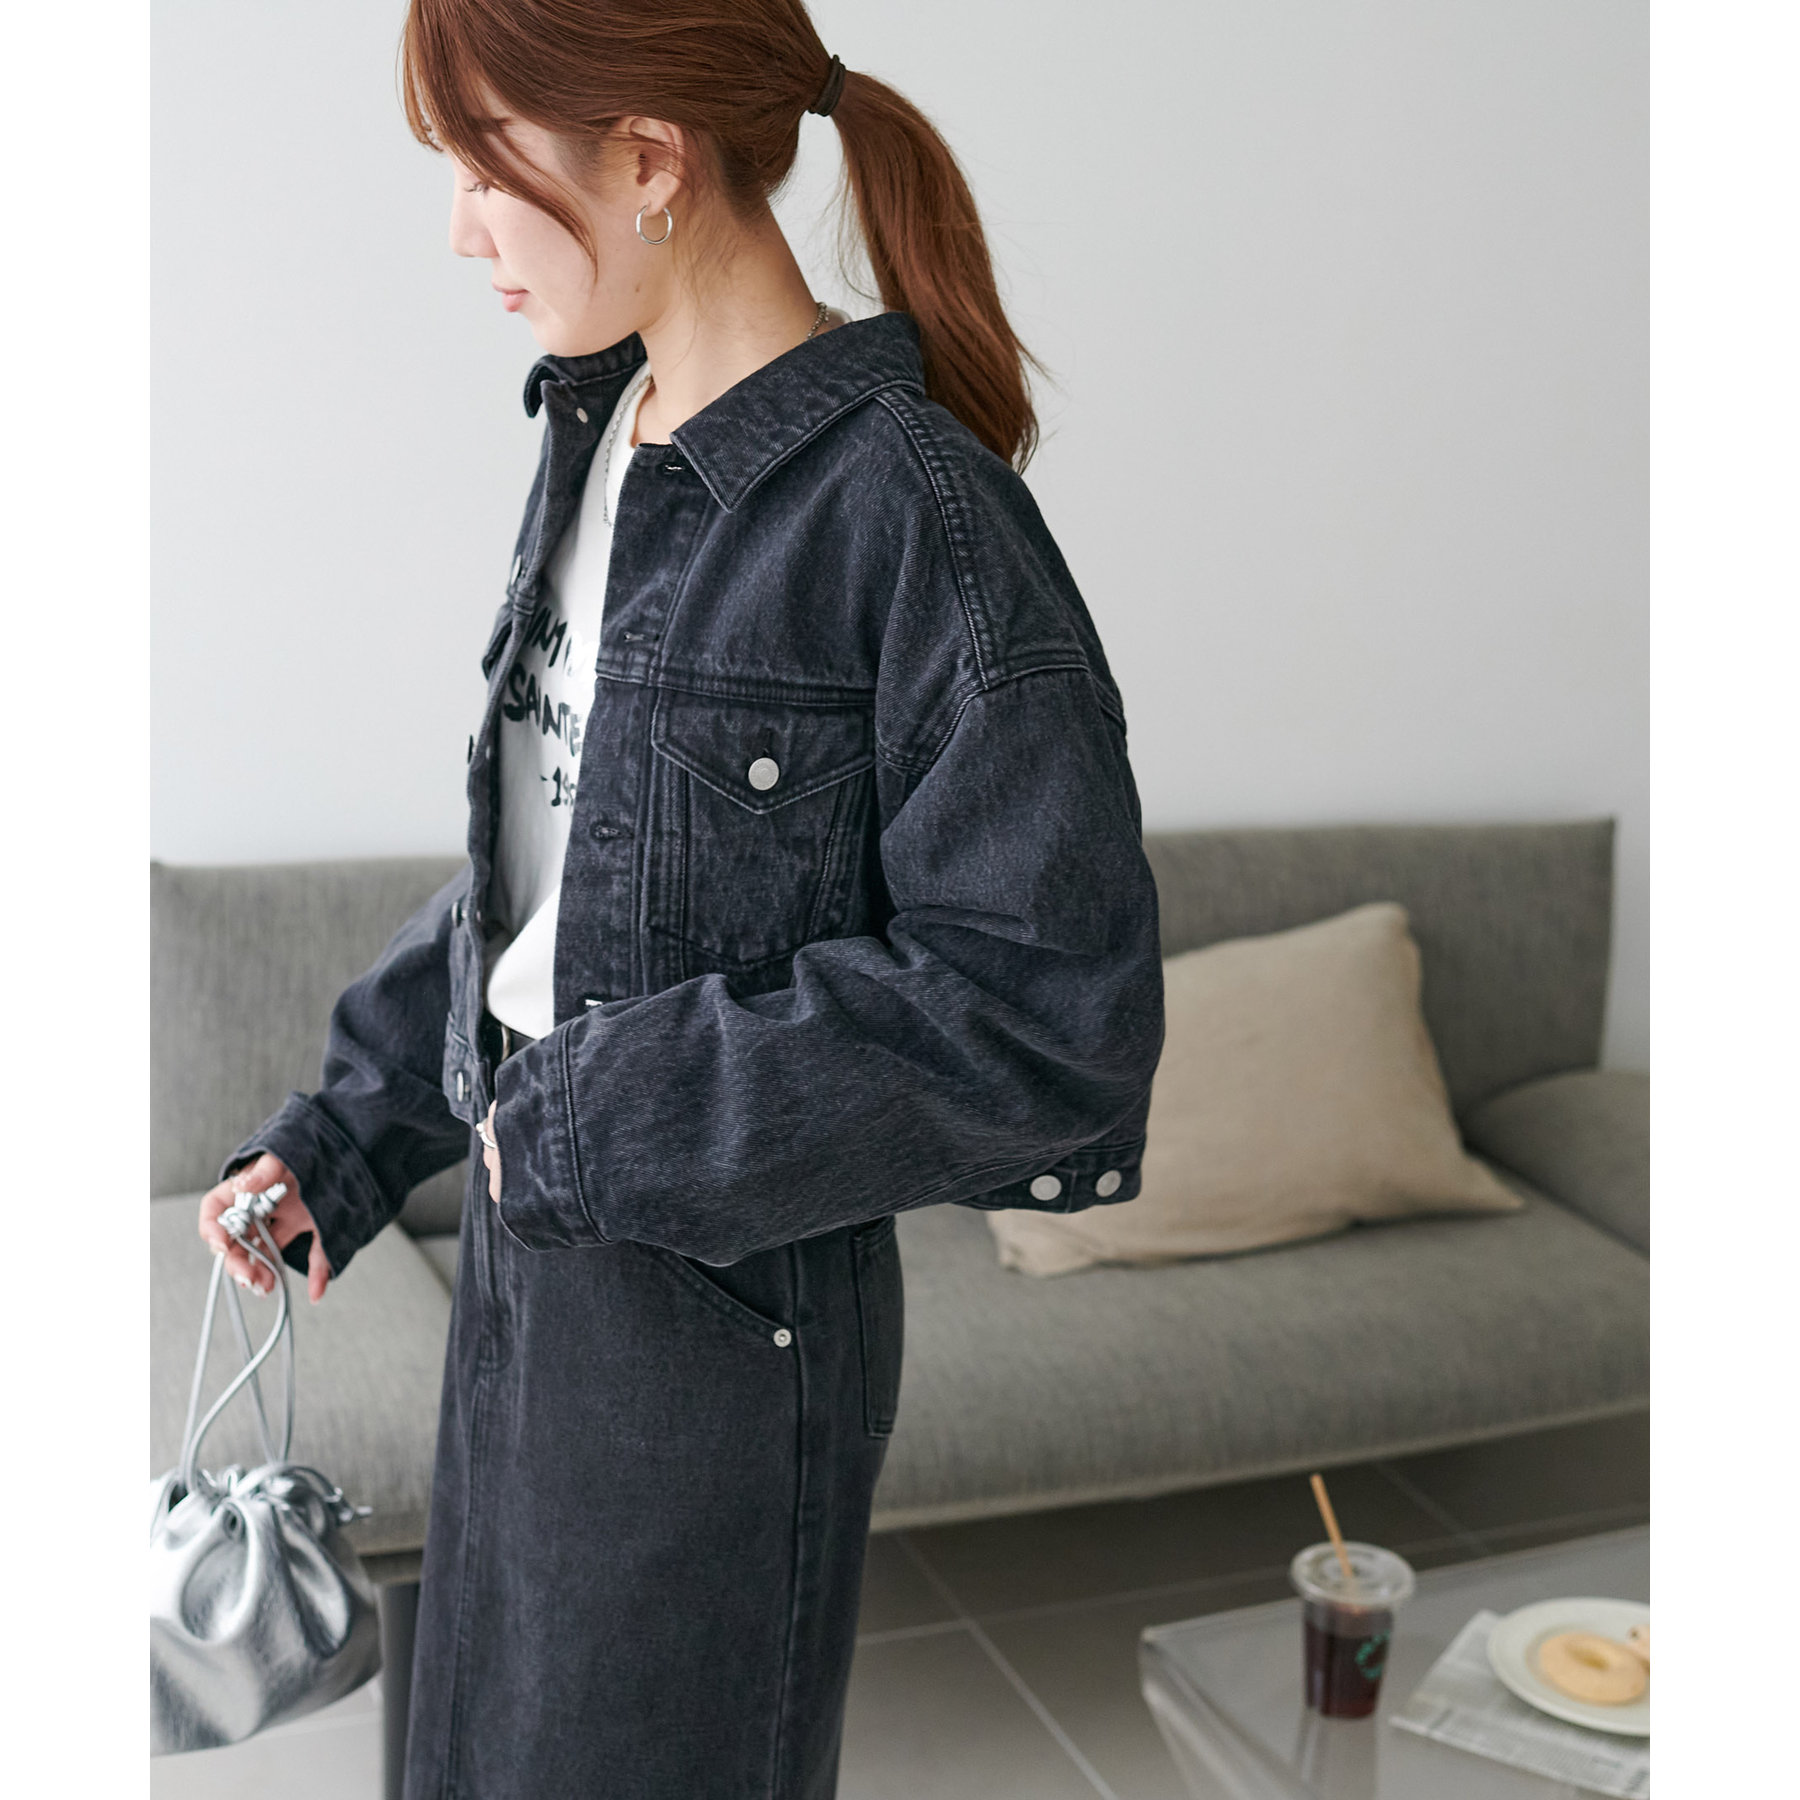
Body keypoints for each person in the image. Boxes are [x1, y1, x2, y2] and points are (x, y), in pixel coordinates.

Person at [196, 2, 1164, 1794]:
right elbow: (555, 883)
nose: (461, 233)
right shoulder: (601, 435)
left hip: (718, 1337)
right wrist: (348, 1133)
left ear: (648, 160)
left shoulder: (917, 517)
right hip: (528, 1274)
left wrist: (596, 1120)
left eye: (483, 173)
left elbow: (1050, 1016)